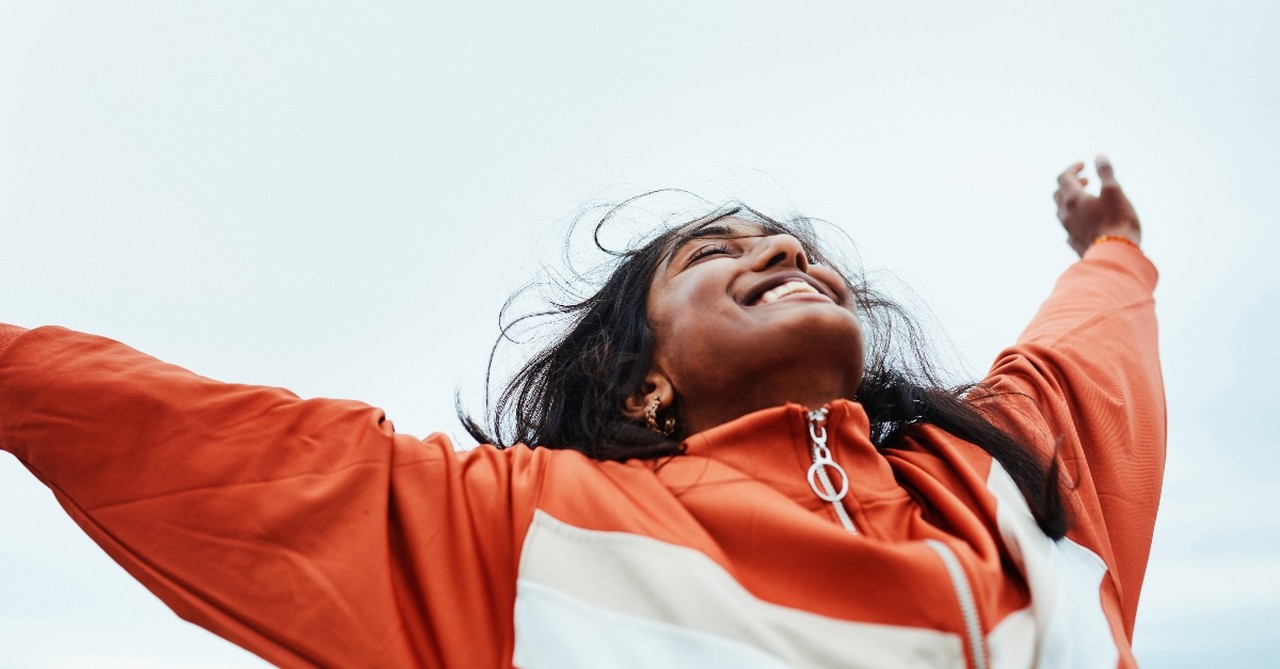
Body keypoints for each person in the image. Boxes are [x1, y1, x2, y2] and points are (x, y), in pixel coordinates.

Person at [0, 157, 1163, 668]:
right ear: (638, 382)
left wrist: (1111, 243)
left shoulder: (1004, 485)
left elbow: (1084, 355)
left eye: (787, 242)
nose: (777, 248)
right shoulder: (525, 536)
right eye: (712, 254)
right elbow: (198, 440)